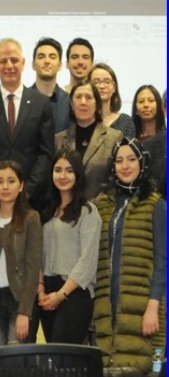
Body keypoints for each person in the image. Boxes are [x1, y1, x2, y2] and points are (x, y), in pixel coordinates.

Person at [93, 138, 166, 373]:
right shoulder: (102, 204)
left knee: (142, 365)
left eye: (132, 159)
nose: (125, 166)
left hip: (143, 305)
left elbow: (163, 262)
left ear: (142, 163)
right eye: (119, 160)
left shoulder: (156, 205)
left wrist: (153, 306)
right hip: (106, 304)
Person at [0, 38, 54, 211]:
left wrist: (26, 190)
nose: (9, 66)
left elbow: (46, 153)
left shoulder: (41, 103)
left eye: (14, 60)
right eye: (3, 61)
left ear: (23, 63)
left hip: (32, 200)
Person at [37, 149, 101, 344]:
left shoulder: (88, 212)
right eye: (58, 170)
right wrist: (41, 288)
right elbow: (38, 254)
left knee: (63, 355)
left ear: (78, 175)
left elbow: (87, 261)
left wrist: (60, 295)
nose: (63, 175)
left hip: (74, 293)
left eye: (69, 170)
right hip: (48, 291)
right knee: (53, 354)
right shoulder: (47, 210)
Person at [0, 160, 41, 347]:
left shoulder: (30, 218)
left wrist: (25, 311)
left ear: (21, 185)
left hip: (18, 299)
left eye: (11, 181)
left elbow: (33, 267)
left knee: (14, 356)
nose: (5, 186)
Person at [55, 81, 123, 199]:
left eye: (88, 97)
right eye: (78, 97)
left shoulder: (114, 138)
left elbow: (116, 180)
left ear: (97, 105)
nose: (83, 102)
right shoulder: (59, 139)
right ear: (71, 105)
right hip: (66, 205)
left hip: (101, 207)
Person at [30, 37, 71, 133]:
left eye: (52, 57)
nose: (47, 61)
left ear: (60, 65)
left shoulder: (70, 102)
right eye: (41, 57)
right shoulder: (21, 101)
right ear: (33, 65)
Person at [86, 62, 136, 139]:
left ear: (114, 88)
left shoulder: (125, 121)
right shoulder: (83, 120)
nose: (102, 86)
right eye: (96, 82)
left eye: (107, 82)